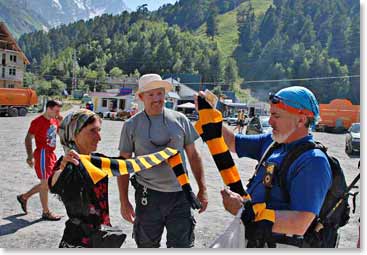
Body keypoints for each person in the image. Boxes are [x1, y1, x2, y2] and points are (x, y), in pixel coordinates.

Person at [219, 86, 332, 247]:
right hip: (255, 239)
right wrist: (210, 114)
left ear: (301, 119)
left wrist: (244, 212)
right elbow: (232, 142)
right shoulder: (273, 143)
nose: (270, 121)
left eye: (276, 115)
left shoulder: (313, 162)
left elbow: (300, 223)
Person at [118, 73, 208, 248]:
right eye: (151, 95)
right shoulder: (131, 125)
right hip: (148, 196)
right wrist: (124, 201)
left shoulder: (180, 120)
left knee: (181, 246)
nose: (157, 99)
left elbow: (193, 156)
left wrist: (203, 189)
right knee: (146, 246)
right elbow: (123, 165)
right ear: (141, 97)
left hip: (180, 195)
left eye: (159, 93)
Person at [48, 109, 127, 248]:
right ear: (74, 134)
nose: (99, 137)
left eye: (99, 130)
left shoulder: (98, 161)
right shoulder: (68, 165)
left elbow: (127, 164)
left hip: (102, 237)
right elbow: (54, 184)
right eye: (92, 131)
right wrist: (64, 167)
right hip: (78, 241)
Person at [17, 99, 63, 221]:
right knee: (45, 184)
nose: (58, 113)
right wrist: (29, 156)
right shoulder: (37, 121)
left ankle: (24, 197)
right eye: (56, 111)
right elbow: (28, 138)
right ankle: (46, 212)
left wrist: (61, 122)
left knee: (48, 183)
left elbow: (60, 134)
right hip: (42, 154)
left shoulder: (55, 120)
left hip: (51, 154)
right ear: (48, 109)